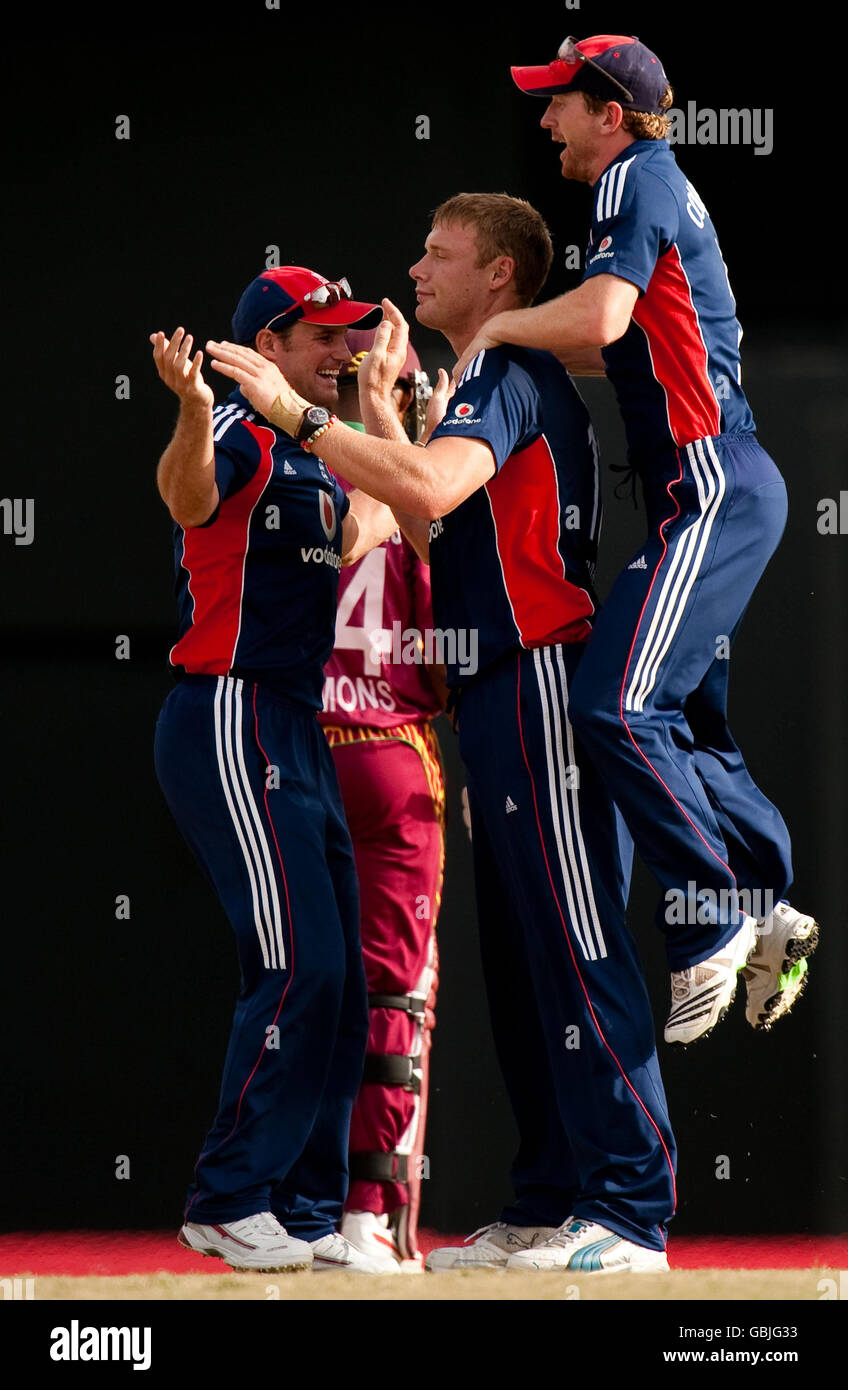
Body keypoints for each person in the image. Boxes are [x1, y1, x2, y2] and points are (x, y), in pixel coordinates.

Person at [206, 192, 678, 1274]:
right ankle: (550, 1194)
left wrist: (299, 412)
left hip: (533, 677)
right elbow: (421, 516)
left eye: (436, 252)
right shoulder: (476, 379)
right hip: (479, 699)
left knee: (571, 945)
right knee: (517, 965)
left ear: (498, 276)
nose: (413, 271)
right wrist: (374, 423)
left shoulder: (507, 373)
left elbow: (424, 485)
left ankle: (630, 1209)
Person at [450, 34, 819, 1046]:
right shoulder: (654, 180)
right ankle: (766, 902)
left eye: (560, 101)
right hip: (711, 490)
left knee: (611, 704)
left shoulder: (630, 179)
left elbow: (601, 317)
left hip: (709, 487)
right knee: (681, 727)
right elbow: (625, 339)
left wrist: (496, 331)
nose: (544, 120)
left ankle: (709, 913)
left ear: (609, 113)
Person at [149, 265, 406, 1275]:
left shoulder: (314, 452)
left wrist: (383, 410)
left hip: (293, 725)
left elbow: (374, 523)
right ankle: (227, 1197)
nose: (341, 351)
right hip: (229, 709)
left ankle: (302, 1209)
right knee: (296, 964)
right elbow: (186, 498)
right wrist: (191, 409)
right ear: (268, 347)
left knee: (337, 979)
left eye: (348, 335)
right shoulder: (232, 431)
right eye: (322, 338)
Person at [320, 332, 447, 1271]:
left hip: (296, 747)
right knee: (396, 995)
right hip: (393, 753)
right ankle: (370, 1215)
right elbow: (460, 652)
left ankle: (289, 1203)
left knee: (301, 986)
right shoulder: (427, 505)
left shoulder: (296, 479)